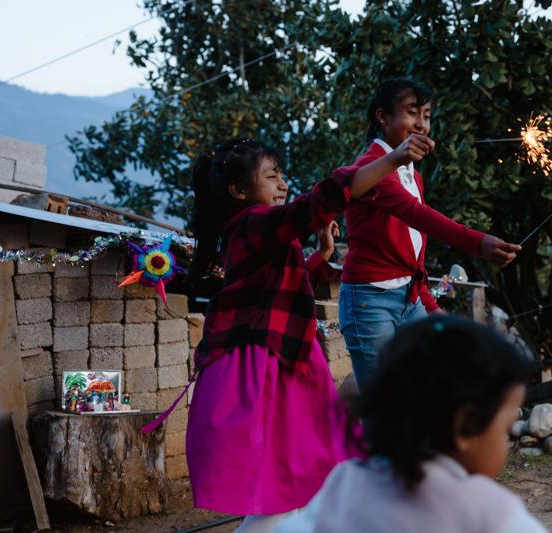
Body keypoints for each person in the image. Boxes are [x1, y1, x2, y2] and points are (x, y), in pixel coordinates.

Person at [182, 135, 434, 533]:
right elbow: (312, 205)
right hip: (268, 365)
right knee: (286, 485)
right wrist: (393, 160)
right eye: (272, 176)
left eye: (282, 176)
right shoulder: (250, 222)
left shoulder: (256, 230)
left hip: (284, 357)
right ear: (238, 190)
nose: (283, 185)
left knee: (294, 485)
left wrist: (321, 256)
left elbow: (278, 282)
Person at [276, 315, 547, 533]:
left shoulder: (346, 479)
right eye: (504, 429)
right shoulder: (488, 511)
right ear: (464, 425)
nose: (506, 442)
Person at [340, 78, 522, 388]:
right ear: (383, 117)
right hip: (370, 301)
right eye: (412, 113)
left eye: (426, 115)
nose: (422, 125)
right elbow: (418, 216)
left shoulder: (412, 173)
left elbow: (412, 253)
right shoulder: (372, 166)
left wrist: (428, 303)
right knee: (384, 401)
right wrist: (478, 242)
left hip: (408, 299)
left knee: (431, 383)